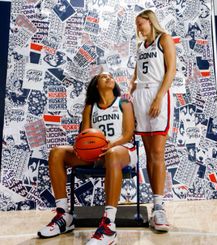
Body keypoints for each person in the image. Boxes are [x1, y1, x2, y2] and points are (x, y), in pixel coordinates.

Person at [38, 72, 137, 245]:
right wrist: (84, 148)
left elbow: (128, 134)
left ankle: (109, 225)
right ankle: (63, 216)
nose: (109, 78)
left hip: (122, 151)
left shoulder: (124, 102)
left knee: (113, 155)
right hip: (97, 154)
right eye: (103, 77)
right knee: (57, 153)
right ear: (96, 85)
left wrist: (111, 145)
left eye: (110, 76)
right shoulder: (90, 108)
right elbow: (84, 136)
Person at [129, 9, 176, 232]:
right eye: (137, 25)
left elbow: (171, 71)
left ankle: (159, 207)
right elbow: (137, 73)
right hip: (141, 96)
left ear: (150, 21)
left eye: (141, 23)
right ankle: (155, 204)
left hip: (158, 93)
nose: (139, 27)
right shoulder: (140, 47)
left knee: (158, 152)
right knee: (148, 154)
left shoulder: (163, 39)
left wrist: (158, 97)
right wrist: (131, 89)